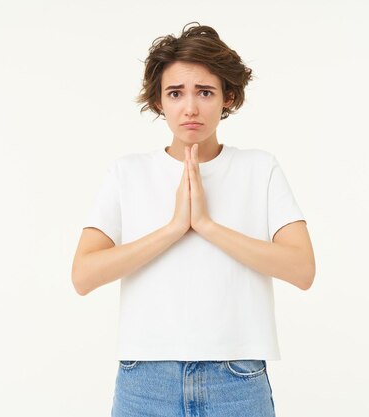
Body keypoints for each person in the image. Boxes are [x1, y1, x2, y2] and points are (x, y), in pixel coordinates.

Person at [71, 22, 315, 417]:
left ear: (227, 98)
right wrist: (172, 229)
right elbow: (83, 275)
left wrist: (207, 226)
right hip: (145, 380)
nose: (190, 107)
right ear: (158, 102)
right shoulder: (126, 173)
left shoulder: (259, 168)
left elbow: (302, 269)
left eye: (205, 92)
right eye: (175, 93)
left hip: (236, 378)